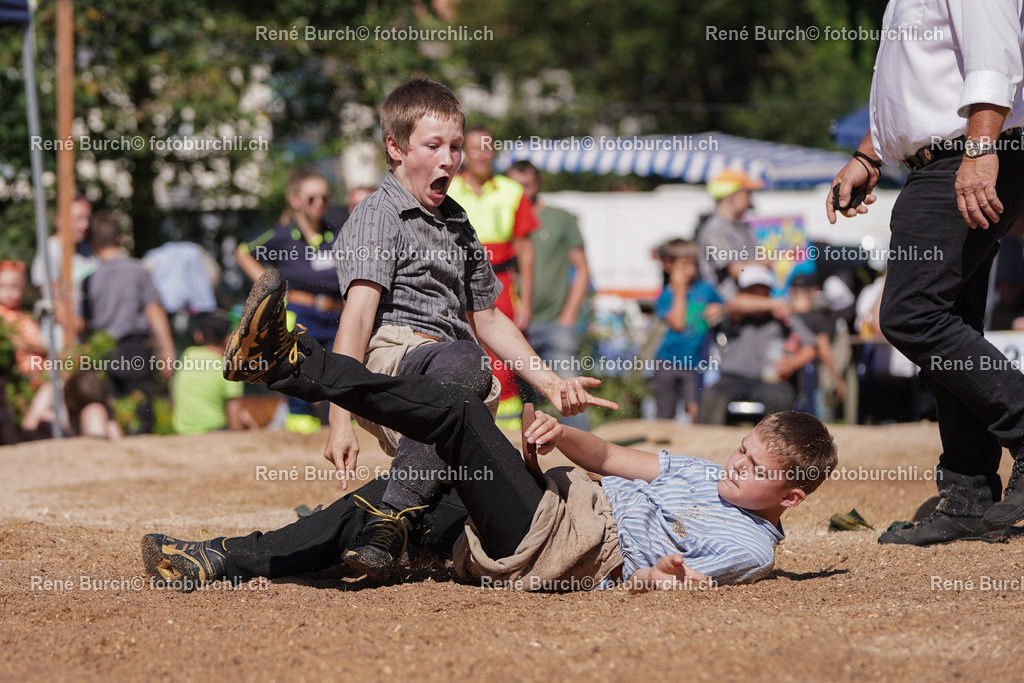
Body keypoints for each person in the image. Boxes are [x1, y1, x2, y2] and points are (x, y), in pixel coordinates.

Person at [141, 268, 838, 593]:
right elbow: (616, 456)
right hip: (558, 496)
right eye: (741, 449)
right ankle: (220, 557)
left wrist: (662, 576)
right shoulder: (701, 470)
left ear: (791, 497)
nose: (734, 464)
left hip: (574, 547)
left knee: (461, 413)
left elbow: (674, 582)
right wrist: (561, 437)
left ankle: (290, 362)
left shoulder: (749, 544)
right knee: (391, 497)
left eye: (753, 469)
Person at [319, 79, 615, 582]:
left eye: (456, 147)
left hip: (455, 375)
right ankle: (395, 518)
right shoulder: (377, 214)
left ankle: (373, 534)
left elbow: (489, 318)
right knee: (465, 362)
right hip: (393, 363)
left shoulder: (457, 220)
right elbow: (358, 318)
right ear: (395, 147)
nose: (450, 159)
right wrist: (340, 419)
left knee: (486, 490)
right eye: (433, 146)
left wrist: (551, 384)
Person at [828, 2, 1024, 545]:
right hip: (943, 160)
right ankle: (967, 495)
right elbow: (912, 84)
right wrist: (870, 156)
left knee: (911, 314)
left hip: (965, 156)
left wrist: (980, 150)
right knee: (950, 321)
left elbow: (995, 56)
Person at [236, 166, 345, 434]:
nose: (319, 204)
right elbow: (242, 251)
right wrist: (270, 287)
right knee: (299, 366)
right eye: (311, 198)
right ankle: (300, 418)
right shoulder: (281, 236)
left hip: (337, 313)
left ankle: (342, 419)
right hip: (300, 311)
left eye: (324, 198)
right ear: (295, 200)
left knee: (340, 367)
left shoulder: (338, 230)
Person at [447, 126, 540, 428]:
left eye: (487, 148)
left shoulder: (512, 192)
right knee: (460, 347)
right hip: (456, 280)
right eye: (474, 148)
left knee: (503, 352)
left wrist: (526, 300)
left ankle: (508, 424)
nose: (481, 154)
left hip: (501, 282)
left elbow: (525, 250)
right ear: (462, 153)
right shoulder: (446, 187)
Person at [505, 160, 592, 430]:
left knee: (570, 393)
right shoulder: (501, 216)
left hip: (555, 323)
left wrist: (568, 316)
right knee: (517, 401)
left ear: (538, 182)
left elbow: (583, 270)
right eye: (514, 185)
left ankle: (587, 459)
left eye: (527, 185)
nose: (521, 191)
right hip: (510, 324)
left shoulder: (560, 218)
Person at [80, 211, 176, 435]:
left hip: (102, 351)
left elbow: (83, 324)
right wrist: (167, 348)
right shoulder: (138, 270)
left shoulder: (88, 280)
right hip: (133, 349)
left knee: (112, 409)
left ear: (93, 245)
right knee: (141, 407)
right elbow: (154, 310)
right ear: (119, 238)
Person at [699, 266, 817, 425]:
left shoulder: (784, 317)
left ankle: (775, 447)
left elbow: (811, 347)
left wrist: (793, 362)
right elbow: (736, 304)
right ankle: (708, 444)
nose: (759, 296)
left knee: (781, 399)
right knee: (712, 396)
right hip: (733, 377)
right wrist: (774, 304)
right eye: (753, 291)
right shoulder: (736, 314)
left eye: (763, 291)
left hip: (770, 380)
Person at [648, 239, 722, 422]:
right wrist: (680, 290)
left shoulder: (705, 289)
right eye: (684, 265)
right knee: (665, 413)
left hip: (694, 364)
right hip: (666, 362)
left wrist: (718, 310)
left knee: (696, 409)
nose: (690, 270)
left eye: (693, 264)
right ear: (668, 265)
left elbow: (722, 305)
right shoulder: (666, 296)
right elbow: (678, 324)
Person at [170, 311, 256, 434]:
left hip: (183, 431)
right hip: (215, 430)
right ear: (229, 339)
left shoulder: (188, 354)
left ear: (199, 336)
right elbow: (235, 421)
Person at [0, 259, 55, 438]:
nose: (8, 292)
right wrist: (44, 348)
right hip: (25, 369)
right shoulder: (3, 315)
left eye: (13, 287)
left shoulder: (25, 315)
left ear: (23, 290)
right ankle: (29, 424)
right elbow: (19, 343)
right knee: (53, 382)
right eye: (3, 286)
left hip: (40, 367)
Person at [30, 195, 97, 338]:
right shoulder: (51, 250)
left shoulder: (87, 251)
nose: (85, 225)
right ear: (59, 220)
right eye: (78, 219)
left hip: (88, 334)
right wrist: (80, 328)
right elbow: (53, 301)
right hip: (61, 337)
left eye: (87, 219)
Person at [696, 169, 766, 302]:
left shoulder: (743, 227)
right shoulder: (714, 229)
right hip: (726, 307)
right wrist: (768, 263)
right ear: (731, 197)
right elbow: (736, 270)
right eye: (747, 193)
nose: (750, 199)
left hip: (748, 302)